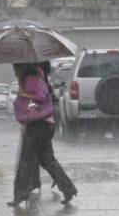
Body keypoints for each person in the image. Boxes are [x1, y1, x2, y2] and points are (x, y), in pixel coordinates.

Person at [8, 63, 77, 207]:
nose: (15, 73)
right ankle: (68, 189)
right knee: (46, 160)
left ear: (23, 68)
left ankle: (20, 194)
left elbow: (41, 96)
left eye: (16, 69)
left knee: (26, 160)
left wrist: (24, 94)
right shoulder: (34, 78)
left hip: (39, 125)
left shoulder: (32, 79)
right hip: (44, 124)